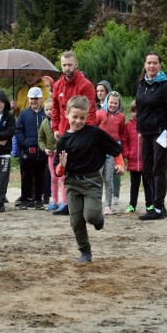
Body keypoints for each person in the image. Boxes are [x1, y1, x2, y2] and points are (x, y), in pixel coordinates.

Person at [54, 95, 125, 263]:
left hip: (91, 181)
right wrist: (62, 166)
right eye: (75, 117)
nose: (78, 121)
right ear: (67, 115)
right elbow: (57, 172)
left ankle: (98, 219)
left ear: (87, 117)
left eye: (82, 118)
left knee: (91, 217)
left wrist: (120, 163)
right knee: (76, 221)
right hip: (72, 183)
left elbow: (115, 148)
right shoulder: (63, 140)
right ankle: (85, 252)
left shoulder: (94, 133)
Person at [135, 52, 167, 220]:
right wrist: (139, 128)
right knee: (146, 170)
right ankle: (156, 204)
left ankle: (158, 209)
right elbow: (139, 108)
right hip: (145, 132)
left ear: (160, 65)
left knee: (158, 170)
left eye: (155, 63)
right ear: (145, 65)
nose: (151, 66)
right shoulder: (141, 83)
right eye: (149, 63)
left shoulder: (165, 85)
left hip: (161, 133)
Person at [95, 90, 128, 215]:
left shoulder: (121, 117)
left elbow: (121, 133)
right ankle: (96, 204)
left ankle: (107, 205)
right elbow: (93, 128)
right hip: (99, 151)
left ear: (119, 104)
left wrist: (119, 149)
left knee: (108, 179)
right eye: (111, 102)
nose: (113, 105)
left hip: (111, 151)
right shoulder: (100, 114)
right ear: (106, 102)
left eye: (115, 103)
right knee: (97, 178)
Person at [15, 86, 48, 209]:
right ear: (28, 99)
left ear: (41, 99)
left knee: (40, 176)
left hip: (41, 151)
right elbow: (18, 130)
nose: (34, 101)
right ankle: (25, 199)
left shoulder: (45, 114)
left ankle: (38, 199)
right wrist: (25, 143)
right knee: (26, 176)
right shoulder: (23, 114)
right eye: (32, 99)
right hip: (27, 151)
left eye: (36, 98)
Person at [51, 51, 96, 138]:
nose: (67, 68)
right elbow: (55, 109)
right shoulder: (57, 85)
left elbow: (90, 112)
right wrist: (55, 128)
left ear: (76, 64)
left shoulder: (86, 85)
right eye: (64, 65)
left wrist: (85, 133)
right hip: (62, 133)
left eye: (70, 65)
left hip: (80, 133)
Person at [38, 98, 64, 211]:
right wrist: (44, 149)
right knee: (53, 178)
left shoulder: (62, 122)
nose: (49, 111)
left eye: (51, 109)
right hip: (51, 155)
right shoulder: (44, 123)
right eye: (47, 109)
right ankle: (54, 201)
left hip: (61, 154)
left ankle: (64, 201)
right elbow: (40, 138)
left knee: (63, 178)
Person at [123, 100, 143, 213]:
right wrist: (127, 154)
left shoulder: (147, 125)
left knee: (148, 184)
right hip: (133, 161)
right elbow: (124, 141)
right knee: (134, 185)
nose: (136, 113)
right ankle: (132, 205)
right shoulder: (128, 126)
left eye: (139, 111)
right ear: (131, 112)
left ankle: (149, 204)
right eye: (134, 111)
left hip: (146, 161)